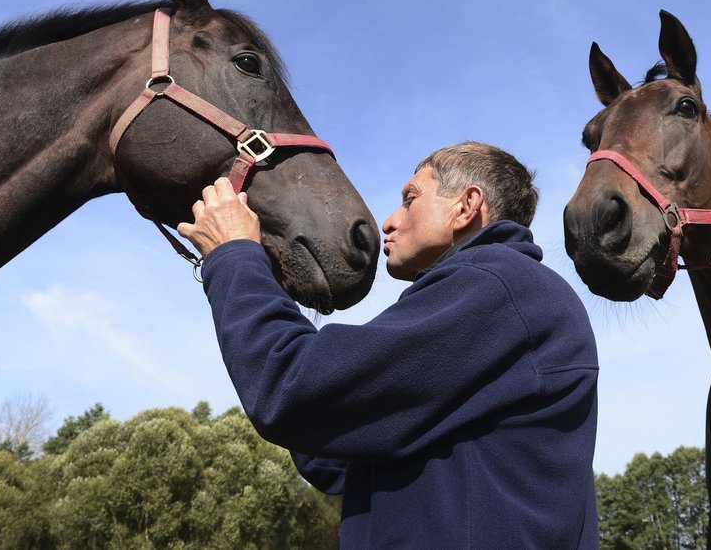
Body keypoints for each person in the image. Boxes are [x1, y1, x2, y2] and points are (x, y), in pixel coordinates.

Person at [178, 142, 599, 548]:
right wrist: (261, 276)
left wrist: (235, 257)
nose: (389, 221)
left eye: (410, 198)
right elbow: (333, 454)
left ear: (466, 207)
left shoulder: (499, 285)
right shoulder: (493, 300)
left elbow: (293, 390)